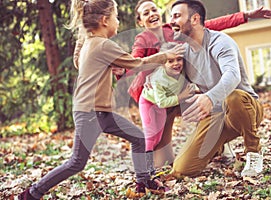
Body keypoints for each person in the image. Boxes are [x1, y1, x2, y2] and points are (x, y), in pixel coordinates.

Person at [18, 0, 185, 199]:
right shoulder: (102, 45)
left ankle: (143, 181)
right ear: (105, 20)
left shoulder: (90, 43)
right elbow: (138, 63)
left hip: (98, 113)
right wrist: (164, 55)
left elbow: (88, 65)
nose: (118, 22)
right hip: (91, 114)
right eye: (115, 18)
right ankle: (32, 193)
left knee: (139, 138)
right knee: (77, 162)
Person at [125, 0, 271, 167]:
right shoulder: (143, 40)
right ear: (140, 22)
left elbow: (210, 24)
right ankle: (158, 164)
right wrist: (151, 74)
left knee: (222, 98)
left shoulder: (175, 32)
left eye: (154, 9)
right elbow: (133, 63)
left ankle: (239, 148)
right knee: (172, 162)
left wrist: (245, 15)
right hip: (156, 96)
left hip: (199, 96)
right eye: (146, 13)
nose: (152, 14)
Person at [167, 0, 264, 178]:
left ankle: (254, 151)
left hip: (244, 109)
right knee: (182, 169)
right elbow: (175, 81)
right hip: (216, 115)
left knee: (233, 97)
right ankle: (219, 146)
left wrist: (209, 97)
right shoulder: (184, 53)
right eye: (171, 16)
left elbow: (232, 75)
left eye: (177, 16)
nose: (171, 21)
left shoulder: (220, 41)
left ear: (195, 19)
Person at [139, 42, 200, 173]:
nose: (176, 63)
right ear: (162, 63)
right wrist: (181, 97)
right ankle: (146, 166)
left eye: (179, 59)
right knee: (151, 134)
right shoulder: (158, 79)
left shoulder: (183, 70)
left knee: (158, 136)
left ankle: (152, 160)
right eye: (170, 61)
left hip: (161, 106)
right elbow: (161, 102)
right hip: (148, 103)